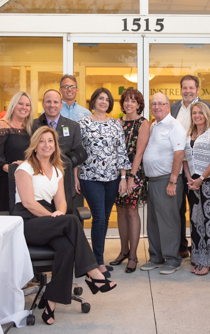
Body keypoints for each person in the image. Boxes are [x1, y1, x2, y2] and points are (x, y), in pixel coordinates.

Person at [13, 126, 116, 326]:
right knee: (71, 220)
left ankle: (50, 303)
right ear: (35, 145)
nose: (46, 145)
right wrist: (54, 216)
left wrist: (58, 212)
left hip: (49, 220)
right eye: (42, 141)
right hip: (27, 221)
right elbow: (28, 203)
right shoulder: (24, 168)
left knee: (67, 247)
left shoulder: (58, 169)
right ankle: (92, 272)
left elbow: (61, 201)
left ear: (55, 146)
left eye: (50, 141)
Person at [75, 88, 131, 277]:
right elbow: (77, 152)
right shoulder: (82, 123)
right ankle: (97, 262)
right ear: (94, 101)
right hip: (90, 177)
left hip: (112, 178)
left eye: (107, 99)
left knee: (105, 218)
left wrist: (123, 177)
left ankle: (98, 257)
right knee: (98, 217)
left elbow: (121, 151)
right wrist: (75, 176)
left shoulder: (116, 124)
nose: (104, 102)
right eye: (100, 98)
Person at [170, 75, 210, 259]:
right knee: (178, 208)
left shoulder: (209, 109)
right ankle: (182, 246)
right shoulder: (174, 107)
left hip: (200, 171)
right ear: (180, 89)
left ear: (198, 89)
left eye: (191, 88)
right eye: (184, 88)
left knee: (198, 212)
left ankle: (200, 251)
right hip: (180, 167)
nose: (188, 91)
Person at [140, 92, 186, 275]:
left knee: (168, 221)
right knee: (153, 222)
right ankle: (156, 257)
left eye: (160, 103)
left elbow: (179, 154)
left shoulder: (174, 126)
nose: (156, 107)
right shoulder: (154, 125)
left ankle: (172, 259)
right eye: (153, 104)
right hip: (153, 181)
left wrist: (173, 181)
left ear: (168, 106)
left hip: (167, 180)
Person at [110, 88, 149, 273]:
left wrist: (131, 177)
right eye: (126, 100)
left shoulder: (143, 123)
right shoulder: (116, 122)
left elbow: (139, 152)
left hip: (135, 173)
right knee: (120, 211)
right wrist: (121, 176)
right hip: (118, 174)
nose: (129, 104)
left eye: (133, 101)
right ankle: (123, 250)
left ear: (139, 105)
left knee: (132, 211)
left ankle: (133, 255)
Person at [183, 102, 210, 275]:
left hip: (209, 182)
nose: (197, 115)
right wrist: (189, 177)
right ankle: (198, 258)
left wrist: (201, 178)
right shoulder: (189, 133)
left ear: (206, 115)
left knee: (209, 222)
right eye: (194, 113)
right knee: (195, 221)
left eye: (200, 112)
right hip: (192, 182)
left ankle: (208, 261)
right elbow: (185, 158)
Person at [31, 89, 87, 203]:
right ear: (43, 104)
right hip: (38, 181)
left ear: (61, 105)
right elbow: (28, 150)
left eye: (56, 102)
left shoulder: (73, 126)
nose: (52, 105)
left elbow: (79, 153)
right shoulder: (32, 125)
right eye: (48, 102)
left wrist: (58, 161)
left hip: (65, 180)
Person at [0, 91, 33, 213]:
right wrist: (11, 168)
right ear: (13, 105)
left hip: (25, 179)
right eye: (20, 104)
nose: (24, 107)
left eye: (27, 105)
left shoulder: (28, 128)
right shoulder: (1, 125)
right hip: (5, 181)